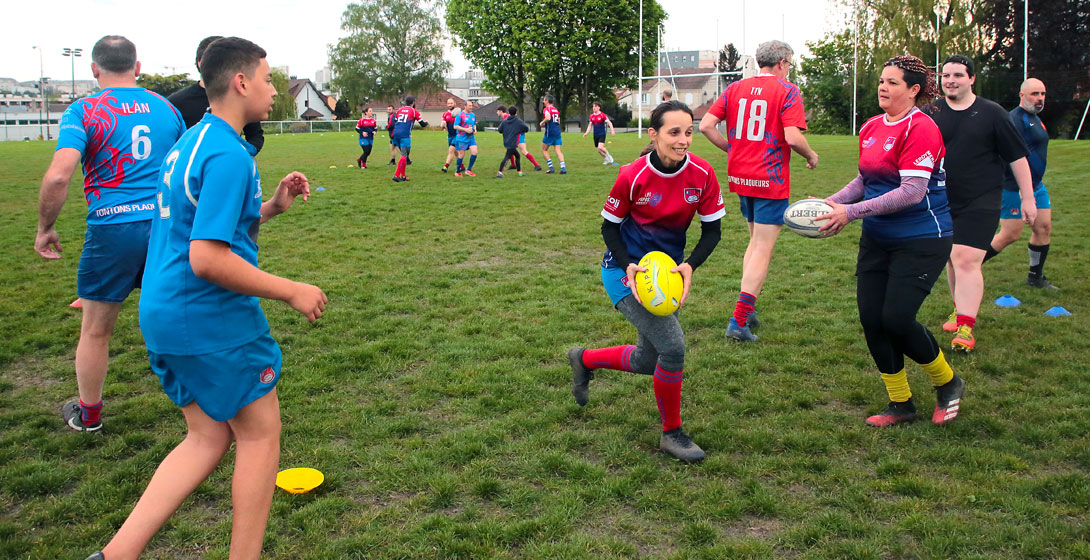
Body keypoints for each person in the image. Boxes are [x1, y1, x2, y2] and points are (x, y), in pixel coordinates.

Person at [83, 37, 326, 560]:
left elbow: (198, 228)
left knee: (206, 437)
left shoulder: (191, 143)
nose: (272, 89)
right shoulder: (228, 153)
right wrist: (293, 290)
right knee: (260, 436)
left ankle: (115, 554)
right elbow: (208, 258)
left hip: (165, 314)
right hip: (210, 318)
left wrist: (272, 208)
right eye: (266, 79)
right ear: (241, 82)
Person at [34, 35, 185, 433]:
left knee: (97, 330)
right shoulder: (165, 108)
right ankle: (208, 401)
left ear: (94, 69)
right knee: (179, 314)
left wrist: (45, 227)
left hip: (113, 230)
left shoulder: (84, 109)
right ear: (137, 67)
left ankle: (90, 416)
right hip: (164, 226)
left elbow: (58, 175)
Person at [567, 100, 725, 463]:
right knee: (672, 348)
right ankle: (672, 434)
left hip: (666, 276)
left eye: (688, 132)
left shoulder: (701, 174)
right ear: (654, 135)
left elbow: (713, 230)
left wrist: (690, 266)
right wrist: (630, 266)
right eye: (674, 133)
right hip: (624, 273)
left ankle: (584, 359)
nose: (683, 140)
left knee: (645, 359)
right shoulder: (631, 175)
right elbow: (609, 227)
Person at [817, 55, 965, 427]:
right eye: (882, 80)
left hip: (922, 238)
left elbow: (911, 192)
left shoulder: (922, 128)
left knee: (897, 319)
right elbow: (865, 180)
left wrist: (849, 213)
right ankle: (901, 404)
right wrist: (832, 202)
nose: (883, 87)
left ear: (913, 90)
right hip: (878, 238)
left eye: (893, 82)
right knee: (872, 319)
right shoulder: (871, 127)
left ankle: (948, 382)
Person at [698, 40, 819, 342]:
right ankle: (739, 319)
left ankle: (747, 309)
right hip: (770, 176)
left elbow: (706, 126)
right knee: (762, 247)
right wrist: (811, 155)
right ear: (781, 63)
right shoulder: (787, 90)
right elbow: (792, 136)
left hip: (741, 174)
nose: (789, 70)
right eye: (789, 65)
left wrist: (732, 148)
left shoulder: (735, 88)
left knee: (755, 243)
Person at [922, 55, 1036, 352]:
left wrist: (1027, 197)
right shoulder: (930, 112)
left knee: (965, 258)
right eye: (945, 75)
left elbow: (1017, 157)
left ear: (971, 79)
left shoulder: (993, 113)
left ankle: (965, 329)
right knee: (950, 258)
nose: (950, 80)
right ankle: (961, 310)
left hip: (982, 198)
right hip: (941, 198)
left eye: (958, 75)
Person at [983, 78, 1057, 289]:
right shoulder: (1014, 120)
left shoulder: (1035, 119)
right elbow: (1006, 154)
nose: (1040, 98)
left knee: (1043, 228)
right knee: (1010, 234)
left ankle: (1035, 277)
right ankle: (967, 266)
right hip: (1014, 187)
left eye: (1042, 94)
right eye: (1035, 94)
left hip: (1037, 186)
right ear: (1021, 95)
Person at [168, 35, 264, 153]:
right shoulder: (176, 103)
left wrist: (241, 154)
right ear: (201, 63)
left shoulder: (241, 98)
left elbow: (255, 135)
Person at [391, 95, 428, 183]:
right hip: (405, 135)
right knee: (404, 155)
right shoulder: (413, 111)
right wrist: (426, 123)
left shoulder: (400, 109)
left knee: (404, 155)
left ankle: (403, 176)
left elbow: (395, 121)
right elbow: (422, 123)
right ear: (413, 103)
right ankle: (396, 175)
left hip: (396, 133)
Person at [496, 105, 529, 178]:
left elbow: (500, 130)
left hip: (506, 141)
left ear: (509, 112)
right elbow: (526, 129)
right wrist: (519, 130)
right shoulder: (518, 121)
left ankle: (520, 172)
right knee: (507, 157)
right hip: (513, 142)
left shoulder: (505, 120)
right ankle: (500, 172)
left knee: (517, 156)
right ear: (516, 113)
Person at [539, 94, 567, 174]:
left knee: (544, 150)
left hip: (550, 132)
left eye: (544, 100)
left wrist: (542, 122)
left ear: (547, 101)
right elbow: (558, 122)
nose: (543, 102)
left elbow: (548, 118)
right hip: (557, 132)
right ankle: (563, 168)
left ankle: (551, 167)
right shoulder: (556, 110)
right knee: (558, 150)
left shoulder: (546, 109)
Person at [453, 100, 479, 177]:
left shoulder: (473, 115)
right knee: (461, 155)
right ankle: (457, 171)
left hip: (471, 137)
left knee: (475, 152)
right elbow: (455, 126)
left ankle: (469, 170)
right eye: (469, 106)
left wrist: (475, 130)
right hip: (461, 138)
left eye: (471, 105)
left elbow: (474, 124)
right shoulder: (460, 115)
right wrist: (465, 130)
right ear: (465, 106)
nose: (471, 107)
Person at [441, 98, 459, 172]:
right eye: (448, 103)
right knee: (455, 152)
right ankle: (461, 166)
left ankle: (446, 166)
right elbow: (443, 123)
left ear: (455, 103)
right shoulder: (445, 114)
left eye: (451, 103)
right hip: (450, 135)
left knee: (451, 150)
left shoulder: (459, 113)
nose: (450, 105)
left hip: (457, 135)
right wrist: (443, 125)